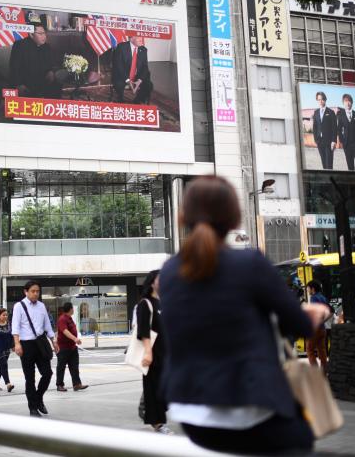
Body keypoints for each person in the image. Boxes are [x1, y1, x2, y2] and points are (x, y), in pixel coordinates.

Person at [158, 176, 331, 454]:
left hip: (189, 411)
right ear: (233, 216)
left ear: (184, 216)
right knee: (301, 441)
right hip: (247, 404)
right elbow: (299, 325)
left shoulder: (169, 272)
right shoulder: (249, 263)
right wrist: (315, 312)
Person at [12, 280, 59, 417]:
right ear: (26, 292)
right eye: (33, 291)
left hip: (41, 343)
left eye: (37, 291)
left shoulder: (42, 306)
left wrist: (53, 341)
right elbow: (15, 327)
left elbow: (47, 326)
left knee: (47, 373)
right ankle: (33, 407)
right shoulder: (19, 306)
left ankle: (38, 398)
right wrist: (17, 344)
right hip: (26, 345)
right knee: (30, 378)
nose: (36, 294)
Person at [136, 270, 170, 434]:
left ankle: (145, 406)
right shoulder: (146, 303)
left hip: (165, 354)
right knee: (155, 388)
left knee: (164, 388)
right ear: (152, 282)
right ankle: (158, 423)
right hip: (153, 355)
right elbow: (144, 330)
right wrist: (148, 352)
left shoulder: (161, 302)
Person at [9, 23, 61, 98]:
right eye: (40, 34)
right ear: (31, 34)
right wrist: (19, 84)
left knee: (57, 85)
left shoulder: (46, 47)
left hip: (43, 80)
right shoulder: (20, 46)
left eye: (44, 33)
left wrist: (51, 72)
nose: (44, 36)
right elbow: (14, 67)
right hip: (25, 82)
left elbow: (51, 63)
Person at [56, 302, 88, 392]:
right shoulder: (62, 319)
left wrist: (75, 340)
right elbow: (65, 331)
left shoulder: (69, 318)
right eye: (72, 308)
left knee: (74, 366)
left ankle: (77, 384)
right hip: (63, 347)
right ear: (70, 309)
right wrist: (75, 339)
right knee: (61, 367)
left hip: (72, 347)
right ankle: (59, 385)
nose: (73, 310)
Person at [111, 35, 153, 104]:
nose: (141, 39)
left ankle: (137, 101)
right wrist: (127, 80)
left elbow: (145, 67)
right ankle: (120, 101)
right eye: (139, 37)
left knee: (148, 85)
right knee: (119, 85)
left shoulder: (143, 49)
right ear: (131, 38)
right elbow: (118, 66)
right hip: (123, 76)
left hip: (137, 76)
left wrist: (140, 80)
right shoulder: (121, 47)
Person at [306, 281, 331, 374]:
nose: (307, 289)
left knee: (309, 350)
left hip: (315, 329)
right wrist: (322, 321)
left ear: (312, 288)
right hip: (322, 329)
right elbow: (330, 312)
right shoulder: (323, 297)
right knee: (322, 351)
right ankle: (324, 372)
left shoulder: (313, 298)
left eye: (308, 288)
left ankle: (316, 373)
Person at [337, 93, 355, 170]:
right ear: (343, 103)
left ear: (352, 103)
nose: (348, 103)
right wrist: (342, 141)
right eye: (346, 101)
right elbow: (339, 129)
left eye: (349, 101)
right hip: (347, 145)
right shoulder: (341, 116)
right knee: (350, 167)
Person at [312, 91, 337, 170]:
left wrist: (334, 141)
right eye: (319, 100)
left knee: (329, 164)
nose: (320, 101)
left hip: (329, 142)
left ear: (325, 100)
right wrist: (316, 139)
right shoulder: (316, 112)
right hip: (320, 141)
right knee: (323, 163)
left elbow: (334, 127)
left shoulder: (331, 112)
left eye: (322, 99)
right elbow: (315, 127)